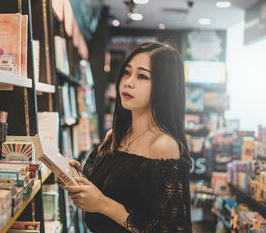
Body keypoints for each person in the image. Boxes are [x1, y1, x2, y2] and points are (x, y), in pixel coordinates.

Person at [60, 42, 192, 232]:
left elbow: (168, 228)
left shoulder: (163, 145)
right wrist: (76, 177)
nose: (128, 82)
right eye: (126, 72)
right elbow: (116, 190)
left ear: (164, 87)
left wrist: (103, 204)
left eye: (142, 76)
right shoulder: (116, 135)